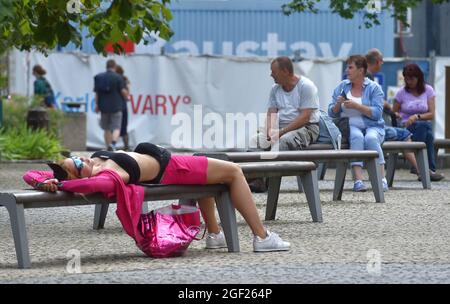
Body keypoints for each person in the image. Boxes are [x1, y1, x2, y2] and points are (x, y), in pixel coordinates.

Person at [23, 143, 290, 253]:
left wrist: (46, 179)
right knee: (233, 171)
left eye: (75, 157)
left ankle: (215, 234)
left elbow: (29, 173)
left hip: (176, 164)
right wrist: (67, 183)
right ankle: (262, 237)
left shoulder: (96, 162)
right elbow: (92, 183)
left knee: (213, 171)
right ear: (80, 176)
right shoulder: (107, 173)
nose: (81, 159)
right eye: (77, 163)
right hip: (174, 168)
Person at [248, 56, 320, 192]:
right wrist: (269, 130)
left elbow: (305, 118)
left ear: (285, 71)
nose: (271, 75)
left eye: (273, 72)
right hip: (281, 129)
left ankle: (268, 182)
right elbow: (271, 113)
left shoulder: (306, 86)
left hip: (307, 128)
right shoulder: (275, 89)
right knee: (255, 141)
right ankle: (253, 179)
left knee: (282, 142)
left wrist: (280, 133)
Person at [328, 55, 388, 192]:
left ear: (361, 70)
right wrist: (338, 104)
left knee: (371, 138)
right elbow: (331, 113)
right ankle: (358, 181)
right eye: (347, 67)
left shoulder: (374, 88)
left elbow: (377, 113)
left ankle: (381, 179)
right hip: (350, 126)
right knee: (357, 137)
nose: (346, 70)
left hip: (373, 125)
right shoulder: (342, 86)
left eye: (350, 67)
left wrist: (356, 106)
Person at [366, 50, 421, 178]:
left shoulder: (361, 76)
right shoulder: (368, 77)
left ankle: (419, 169)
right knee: (405, 134)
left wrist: (389, 110)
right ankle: (420, 170)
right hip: (371, 129)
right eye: (382, 61)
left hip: (362, 127)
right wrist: (386, 105)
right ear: (378, 61)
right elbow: (373, 102)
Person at [392, 63, 444, 181]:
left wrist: (417, 116)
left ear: (418, 78)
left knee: (426, 129)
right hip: (406, 128)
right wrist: (398, 115)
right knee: (428, 132)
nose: (408, 81)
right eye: (406, 78)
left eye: (411, 78)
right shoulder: (401, 93)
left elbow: (432, 114)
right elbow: (393, 112)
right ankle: (429, 170)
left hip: (421, 125)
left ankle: (420, 168)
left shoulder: (428, 90)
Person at [94, 59, 127, 151]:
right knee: (116, 127)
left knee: (106, 128)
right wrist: (127, 97)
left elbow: (97, 94)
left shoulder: (98, 77)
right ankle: (113, 144)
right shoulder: (118, 77)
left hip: (103, 107)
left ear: (106, 66)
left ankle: (108, 145)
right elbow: (123, 91)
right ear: (114, 67)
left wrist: (97, 105)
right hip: (117, 106)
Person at [115, 65, 131, 151]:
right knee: (124, 127)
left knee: (114, 127)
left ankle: (112, 145)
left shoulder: (115, 79)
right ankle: (126, 146)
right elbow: (127, 94)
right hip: (123, 106)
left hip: (115, 106)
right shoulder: (124, 79)